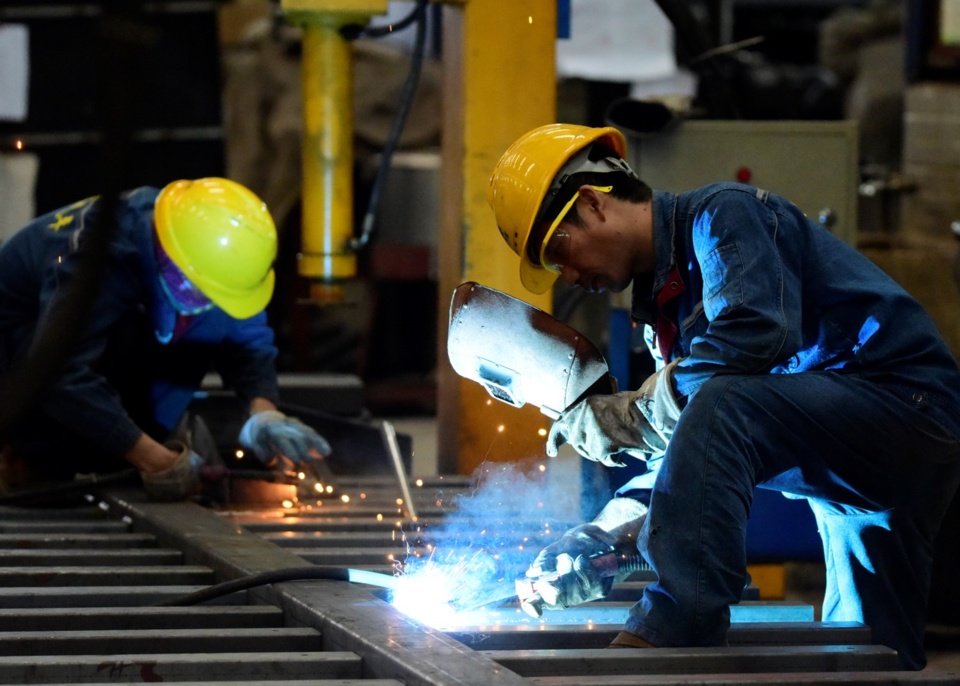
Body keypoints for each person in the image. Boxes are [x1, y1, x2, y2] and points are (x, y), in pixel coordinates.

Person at [487, 123, 960, 670]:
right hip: (856, 470)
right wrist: (600, 539)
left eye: (557, 250)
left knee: (724, 401)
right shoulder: (663, 316)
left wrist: (634, 415)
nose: (567, 275)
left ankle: (680, 620)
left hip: (903, 407)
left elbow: (754, 333)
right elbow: (693, 454)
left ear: (592, 203)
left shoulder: (722, 215)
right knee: (867, 651)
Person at [0, 177, 331, 500]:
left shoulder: (208, 251)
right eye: (201, 289)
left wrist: (263, 411)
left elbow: (244, 332)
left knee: (205, 315)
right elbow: (60, 372)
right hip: (20, 375)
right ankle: (29, 459)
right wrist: (154, 460)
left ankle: (131, 446)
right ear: (169, 258)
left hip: (80, 360)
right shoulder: (100, 254)